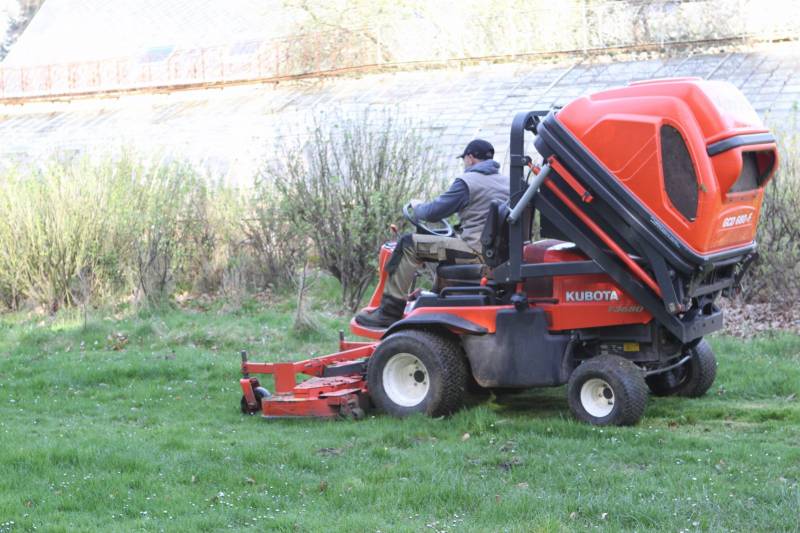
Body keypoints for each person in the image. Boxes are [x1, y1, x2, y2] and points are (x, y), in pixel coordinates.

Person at [356, 138, 510, 328]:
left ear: (470, 158)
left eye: (464, 159)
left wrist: (417, 206)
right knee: (447, 243)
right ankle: (435, 297)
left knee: (408, 245)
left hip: (475, 253)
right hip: (499, 256)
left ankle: (388, 312)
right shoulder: (508, 182)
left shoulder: (467, 182)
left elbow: (433, 212)